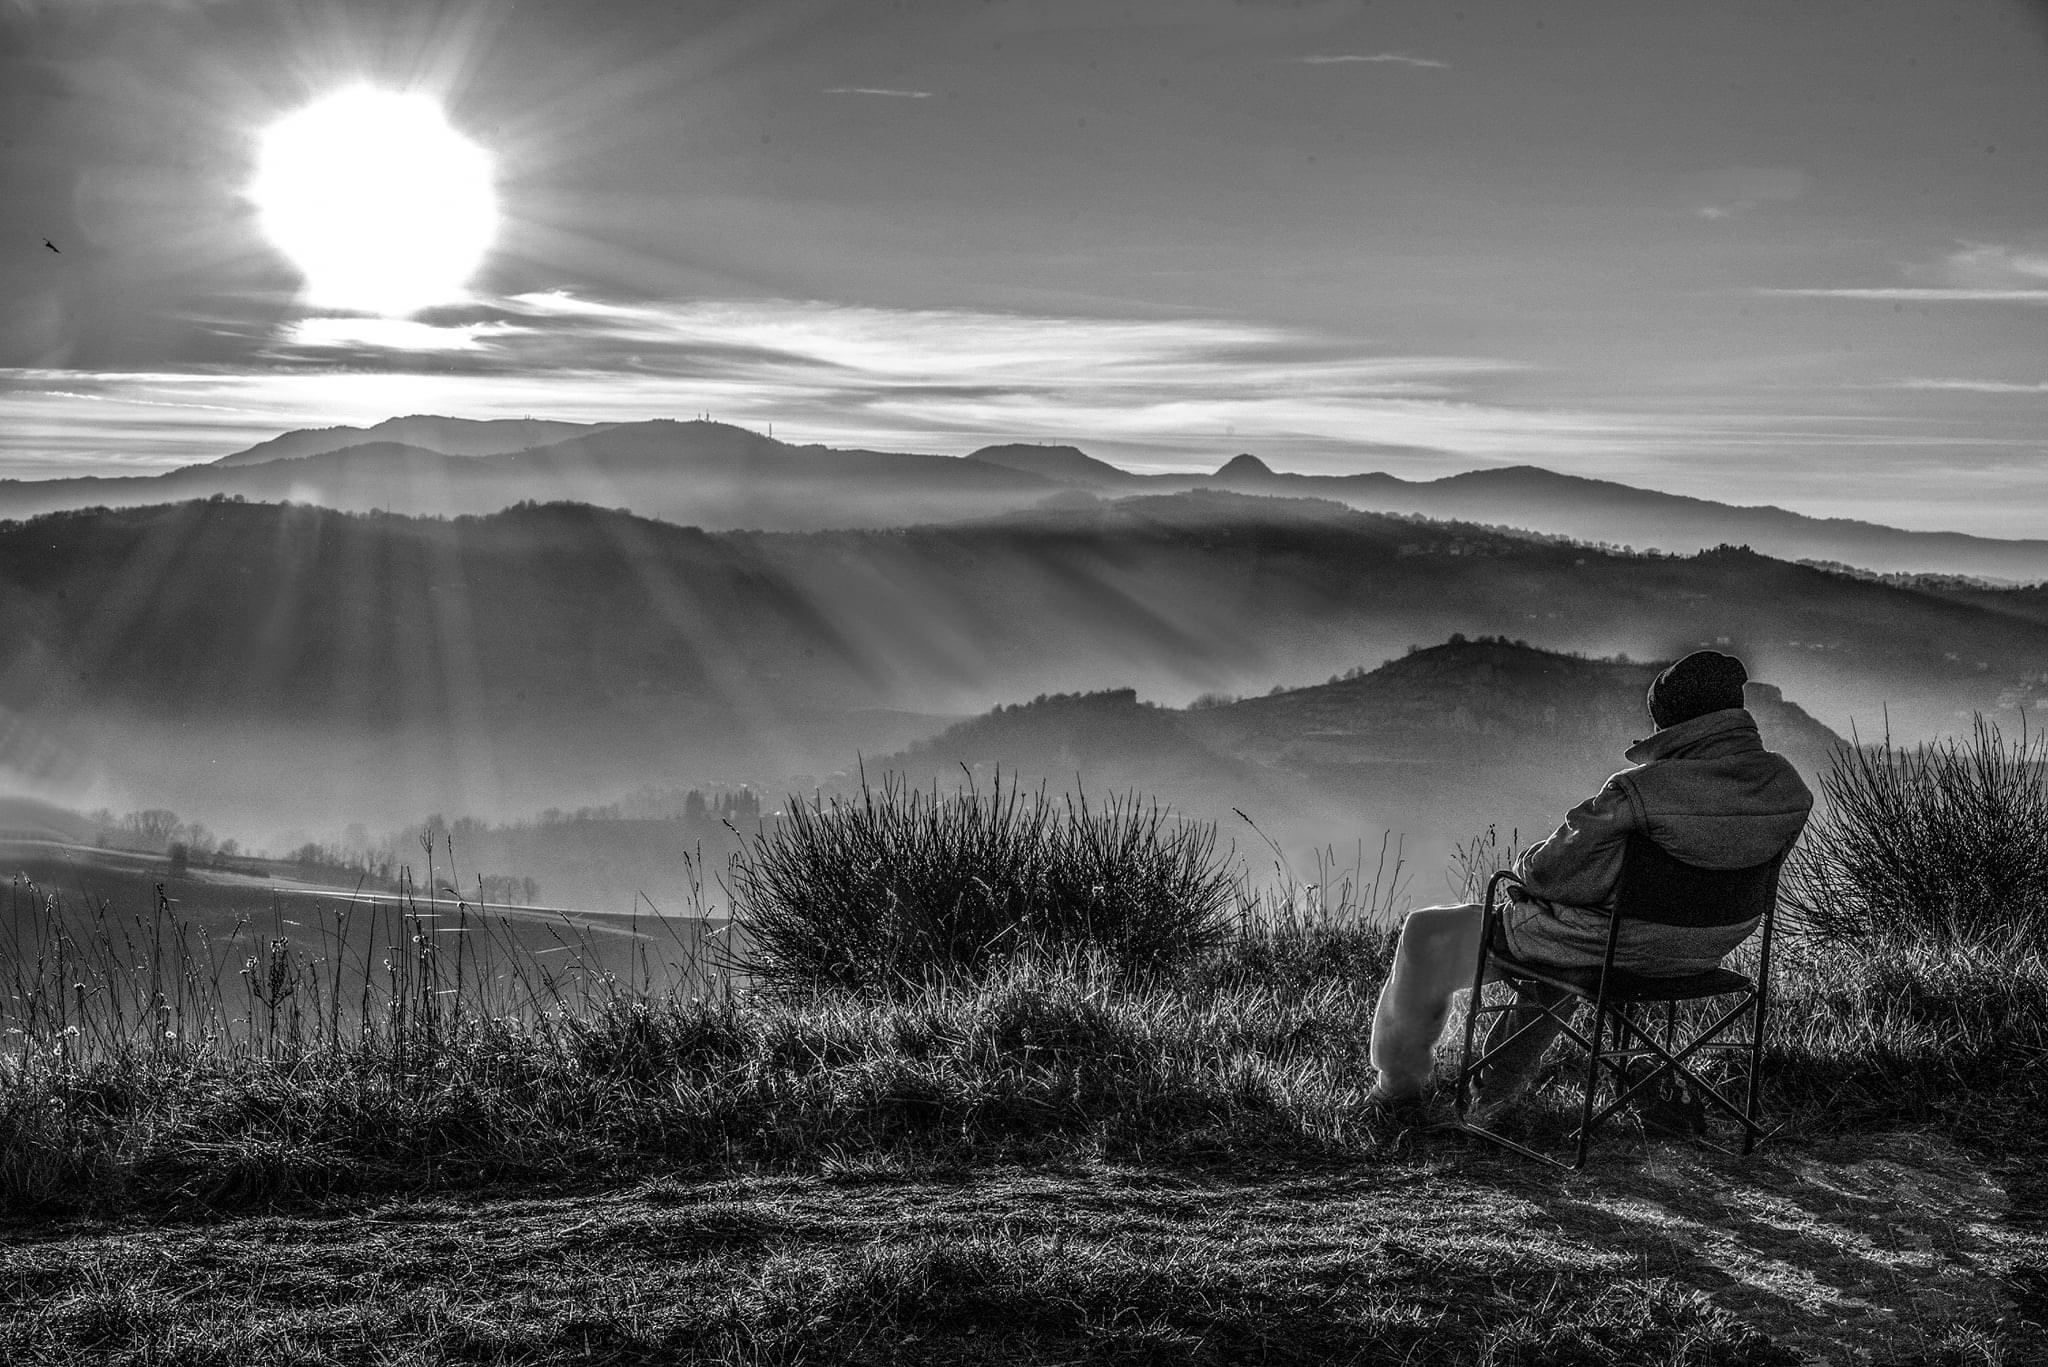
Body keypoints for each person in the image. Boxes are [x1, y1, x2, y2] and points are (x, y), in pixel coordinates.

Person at [1365, 650, 1813, 1116]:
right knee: (1563, 949)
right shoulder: (1786, 786)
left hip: (1615, 947)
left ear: (1672, 724)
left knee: (1427, 931)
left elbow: (1548, 873)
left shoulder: (1638, 791)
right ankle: (1491, 1094)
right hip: (1703, 949)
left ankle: (1398, 1091)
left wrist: (1526, 878)